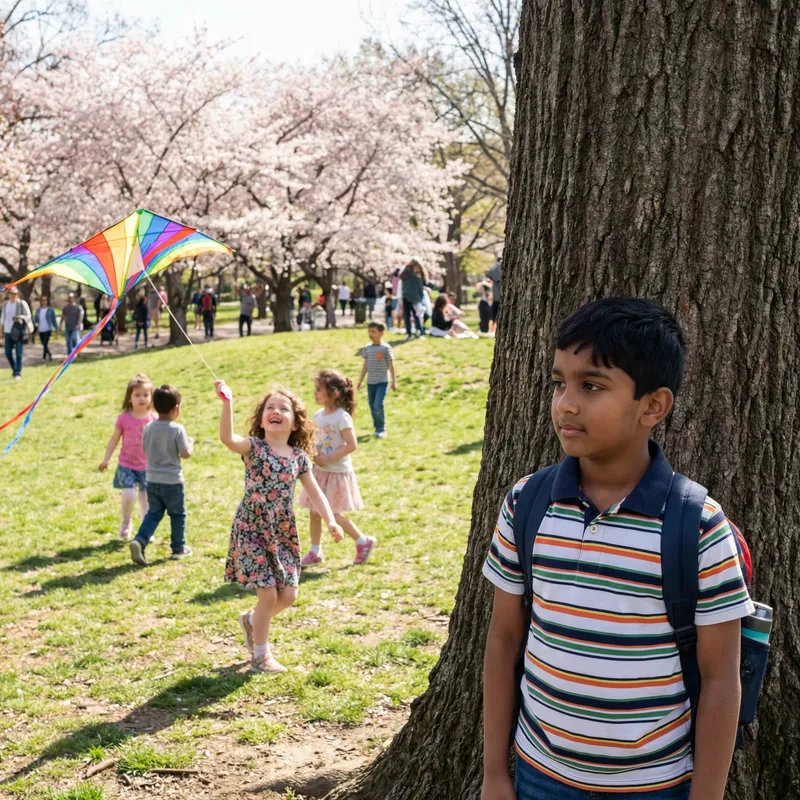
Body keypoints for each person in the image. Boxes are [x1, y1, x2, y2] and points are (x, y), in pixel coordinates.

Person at [481, 297, 754, 800]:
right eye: (559, 382)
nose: (565, 402)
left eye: (591, 386)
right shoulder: (526, 503)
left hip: (656, 784)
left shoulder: (697, 526)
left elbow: (721, 679)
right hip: (539, 774)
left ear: (653, 405)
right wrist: (495, 774)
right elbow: (502, 641)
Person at [215, 380, 343, 674]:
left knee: (289, 595)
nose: (276, 411)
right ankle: (261, 656)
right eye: (270, 408)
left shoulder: (299, 458)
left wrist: (331, 520)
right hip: (252, 528)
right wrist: (227, 403)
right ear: (261, 419)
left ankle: (251, 621)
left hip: (283, 532)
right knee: (269, 594)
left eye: (284, 408)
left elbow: (315, 493)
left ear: (296, 422)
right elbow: (227, 438)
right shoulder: (254, 447)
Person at [299, 369, 376, 566]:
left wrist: (329, 458)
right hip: (319, 471)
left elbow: (351, 444)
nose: (315, 393)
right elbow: (315, 439)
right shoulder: (318, 415)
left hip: (336, 473)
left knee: (331, 513)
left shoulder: (342, 417)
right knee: (315, 511)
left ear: (334, 393)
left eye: (319, 390)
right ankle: (315, 552)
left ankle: (362, 541)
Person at [129, 385, 194, 565]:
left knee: (154, 513)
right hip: (172, 481)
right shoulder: (177, 429)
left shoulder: (149, 427)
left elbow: (144, 448)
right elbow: (185, 454)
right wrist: (190, 444)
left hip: (151, 479)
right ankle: (178, 548)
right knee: (177, 514)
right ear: (176, 409)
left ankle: (140, 540)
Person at [98, 373, 157, 541]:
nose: (142, 398)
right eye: (137, 395)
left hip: (147, 466)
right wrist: (106, 459)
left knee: (146, 500)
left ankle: (146, 530)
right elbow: (114, 440)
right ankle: (126, 523)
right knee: (129, 495)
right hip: (127, 465)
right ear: (129, 398)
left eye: (146, 394)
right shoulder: (124, 419)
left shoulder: (154, 419)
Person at [357, 322, 396, 438]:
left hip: (382, 382)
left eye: (373, 331)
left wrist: (394, 381)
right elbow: (365, 366)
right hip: (370, 382)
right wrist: (360, 381)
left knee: (378, 403)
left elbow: (391, 365)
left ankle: (381, 428)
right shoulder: (367, 348)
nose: (370, 334)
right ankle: (377, 427)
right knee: (372, 405)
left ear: (381, 333)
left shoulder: (386, 348)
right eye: (369, 331)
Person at [1, 286, 32, 379]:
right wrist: (1, 333)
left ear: (17, 294)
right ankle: (15, 368)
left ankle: (18, 372)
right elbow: (3, 319)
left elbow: (28, 316)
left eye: (15, 294)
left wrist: (20, 317)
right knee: (8, 352)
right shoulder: (6, 304)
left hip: (18, 332)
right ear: (8, 294)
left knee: (19, 353)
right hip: (7, 331)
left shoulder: (22, 304)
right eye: (11, 293)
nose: (13, 295)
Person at [399, 260, 426, 340]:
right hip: (408, 297)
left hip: (415, 298)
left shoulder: (418, 275)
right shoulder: (408, 275)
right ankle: (410, 333)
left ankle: (418, 332)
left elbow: (420, 287)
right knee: (409, 316)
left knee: (416, 315)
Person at [34, 295, 57, 361]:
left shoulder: (50, 309)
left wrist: (56, 327)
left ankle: (44, 357)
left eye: (45, 300)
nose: (43, 302)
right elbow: (35, 319)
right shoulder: (38, 310)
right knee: (43, 343)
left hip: (48, 328)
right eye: (42, 300)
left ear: (47, 301)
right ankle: (49, 354)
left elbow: (53, 319)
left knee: (45, 343)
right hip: (41, 329)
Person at [486, 258, 502, 332]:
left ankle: (492, 330)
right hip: (500, 296)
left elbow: (488, 274)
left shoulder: (494, 268)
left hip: (497, 296)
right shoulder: (499, 267)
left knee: (494, 316)